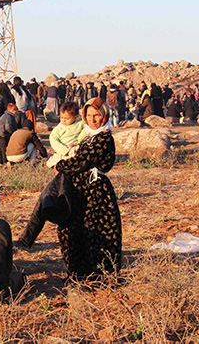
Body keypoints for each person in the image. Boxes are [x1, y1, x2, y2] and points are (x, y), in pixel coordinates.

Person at [17, 97, 122, 281]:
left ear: (104, 115)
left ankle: (101, 276)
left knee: (97, 235)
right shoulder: (88, 135)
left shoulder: (104, 137)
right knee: (71, 231)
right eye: (89, 115)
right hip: (79, 193)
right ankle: (78, 274)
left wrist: (60, 165)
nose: (92, 119)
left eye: (96, 115)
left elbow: (82, 161)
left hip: (96, 195)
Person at [47, 102, 85, 168]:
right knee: (53, 162)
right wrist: (64, 150)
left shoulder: (80, 124)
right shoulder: (60, 127)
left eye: (67, 118)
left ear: (75, 117)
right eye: (61, 118)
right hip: (63, 150)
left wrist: (78, 142)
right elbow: (53, 138)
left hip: (75, 148)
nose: (63, 120)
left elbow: (86, 132)